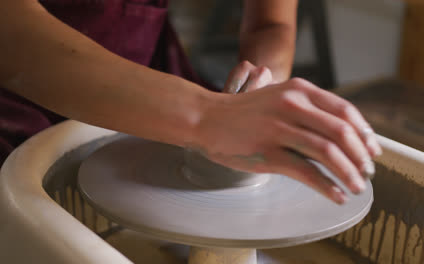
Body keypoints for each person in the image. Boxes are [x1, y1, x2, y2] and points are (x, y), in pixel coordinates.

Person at [0, 0, 381, 204]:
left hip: (148, 67)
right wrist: (205, 117)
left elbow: (271, 24)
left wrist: (257, 93)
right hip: (19, 85)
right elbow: (10, 30)